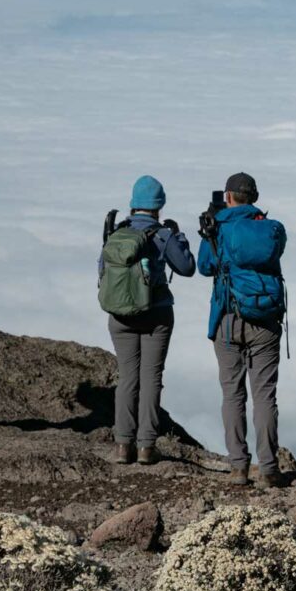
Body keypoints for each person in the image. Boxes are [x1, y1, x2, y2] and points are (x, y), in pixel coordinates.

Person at [197, 172, 288, 489]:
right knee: (265, 396)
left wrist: (210, 227)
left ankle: (238, 468)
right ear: (255, 197)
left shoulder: (218, 228)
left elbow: (204, 266)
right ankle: (269, 469)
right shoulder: (271, 229)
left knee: (232, 395)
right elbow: (275, 253)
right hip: (265, 321)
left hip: (227, 319)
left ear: (228, 196)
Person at [101, 175, 195, 465]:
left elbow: (102, 272)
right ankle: (145, 448)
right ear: (159, 206)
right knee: (151, 379)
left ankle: (121, 446)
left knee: (128, 378)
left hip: (120, 316)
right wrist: (179, 238)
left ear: (133, 205)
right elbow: (188, 267)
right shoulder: (163, 236)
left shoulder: (116, 234)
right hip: (157, 314)